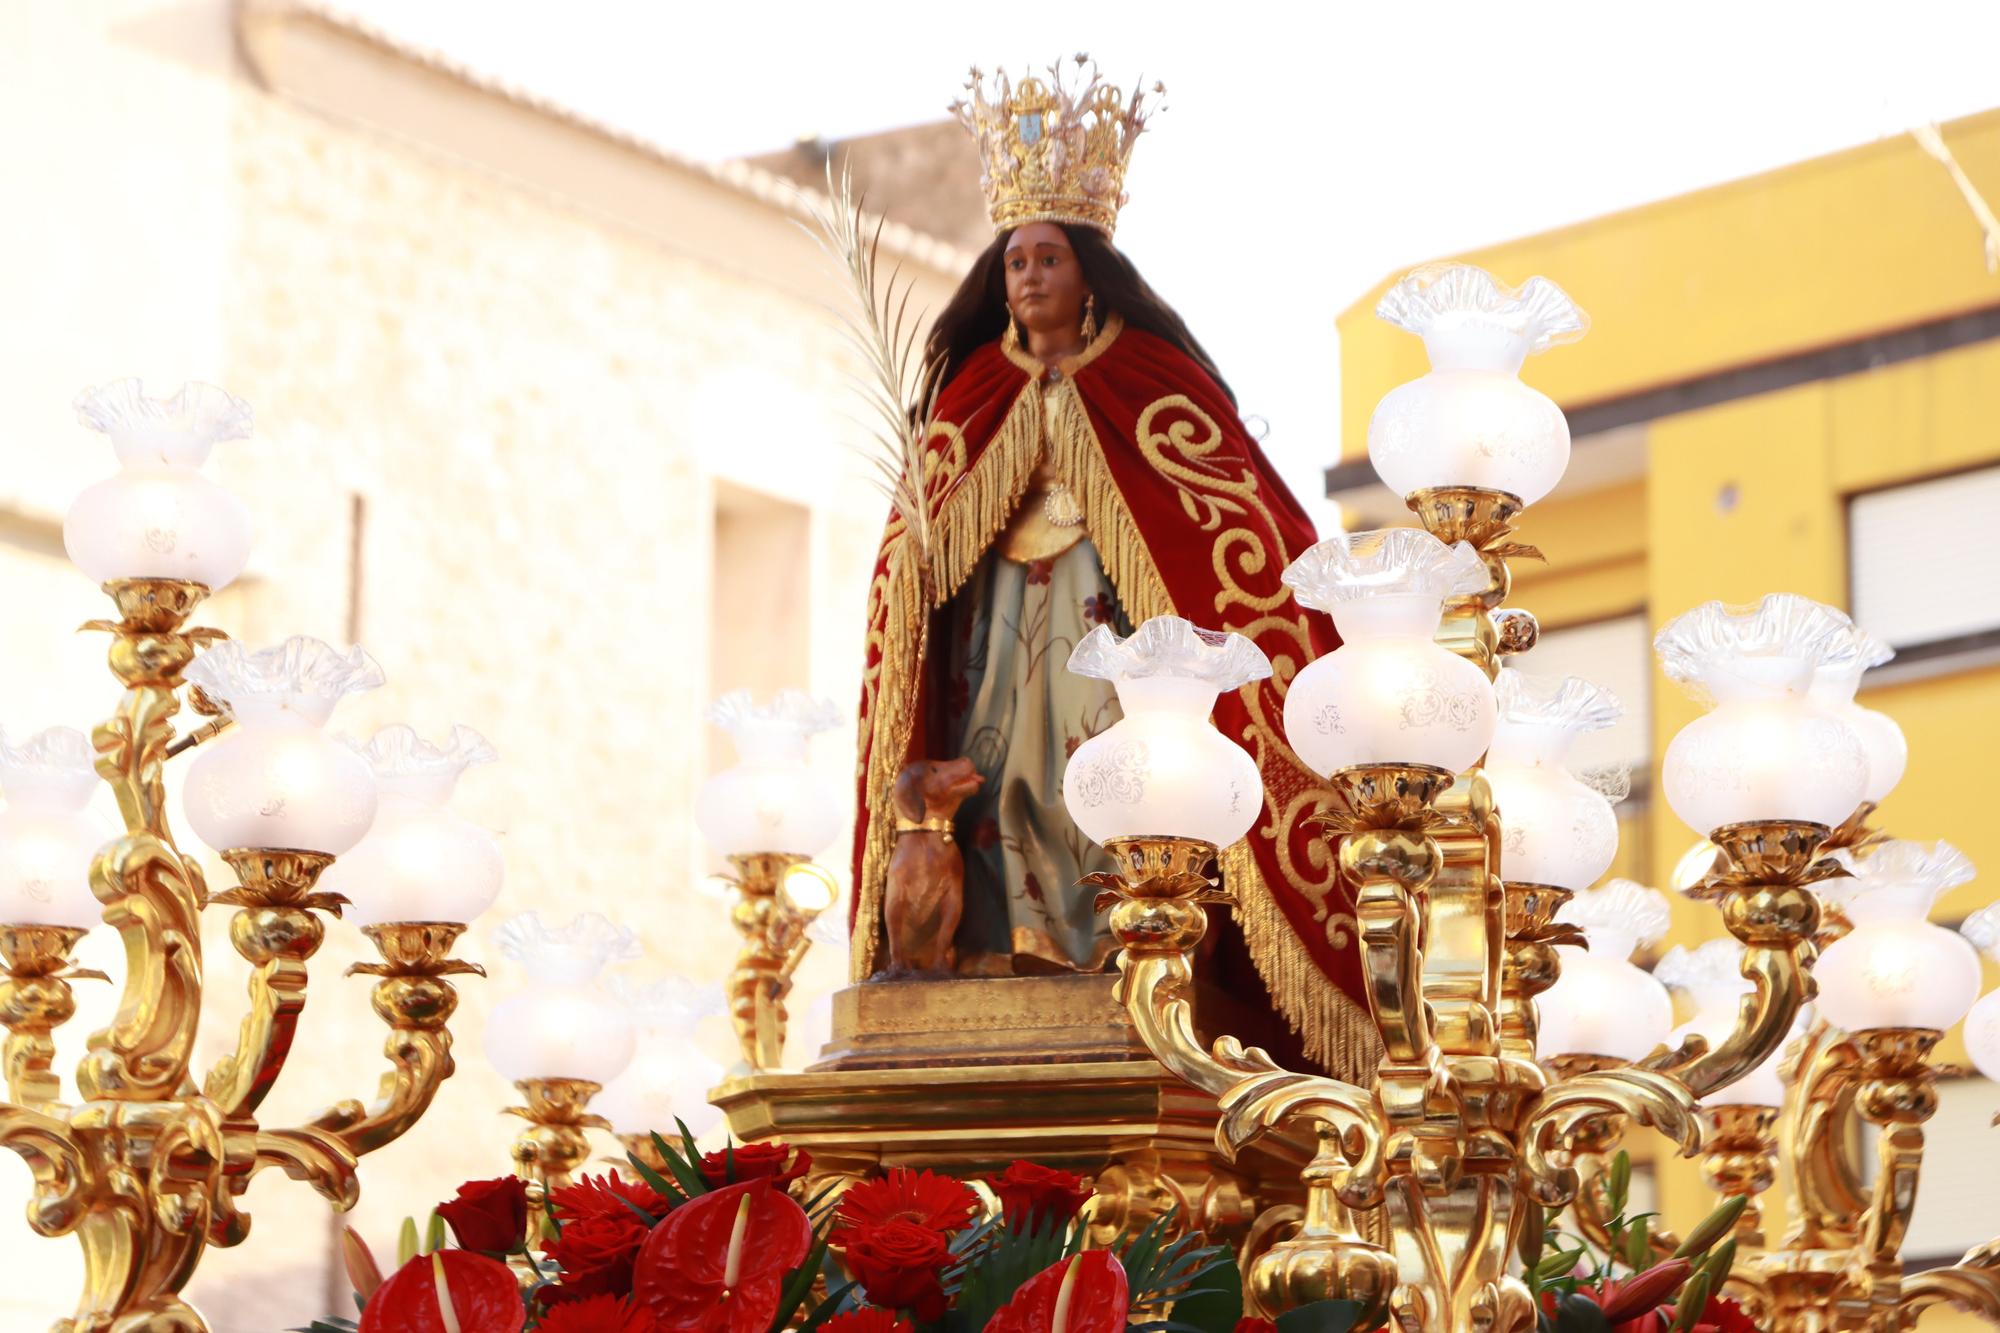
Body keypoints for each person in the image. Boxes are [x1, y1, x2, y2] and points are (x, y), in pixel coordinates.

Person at [848, 57, 1373, 1074]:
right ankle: (1003, 943)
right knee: (999, 778)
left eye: (1047, 258)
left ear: (1087, 271)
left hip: (1108, 631)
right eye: (1014, 263)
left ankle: (1113, 943)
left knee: (1105, 777)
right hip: (1002, 631)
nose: (1030, 277)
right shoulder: (968, 399)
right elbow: (908, 574)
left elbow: (1237, 539)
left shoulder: (1153, 383)